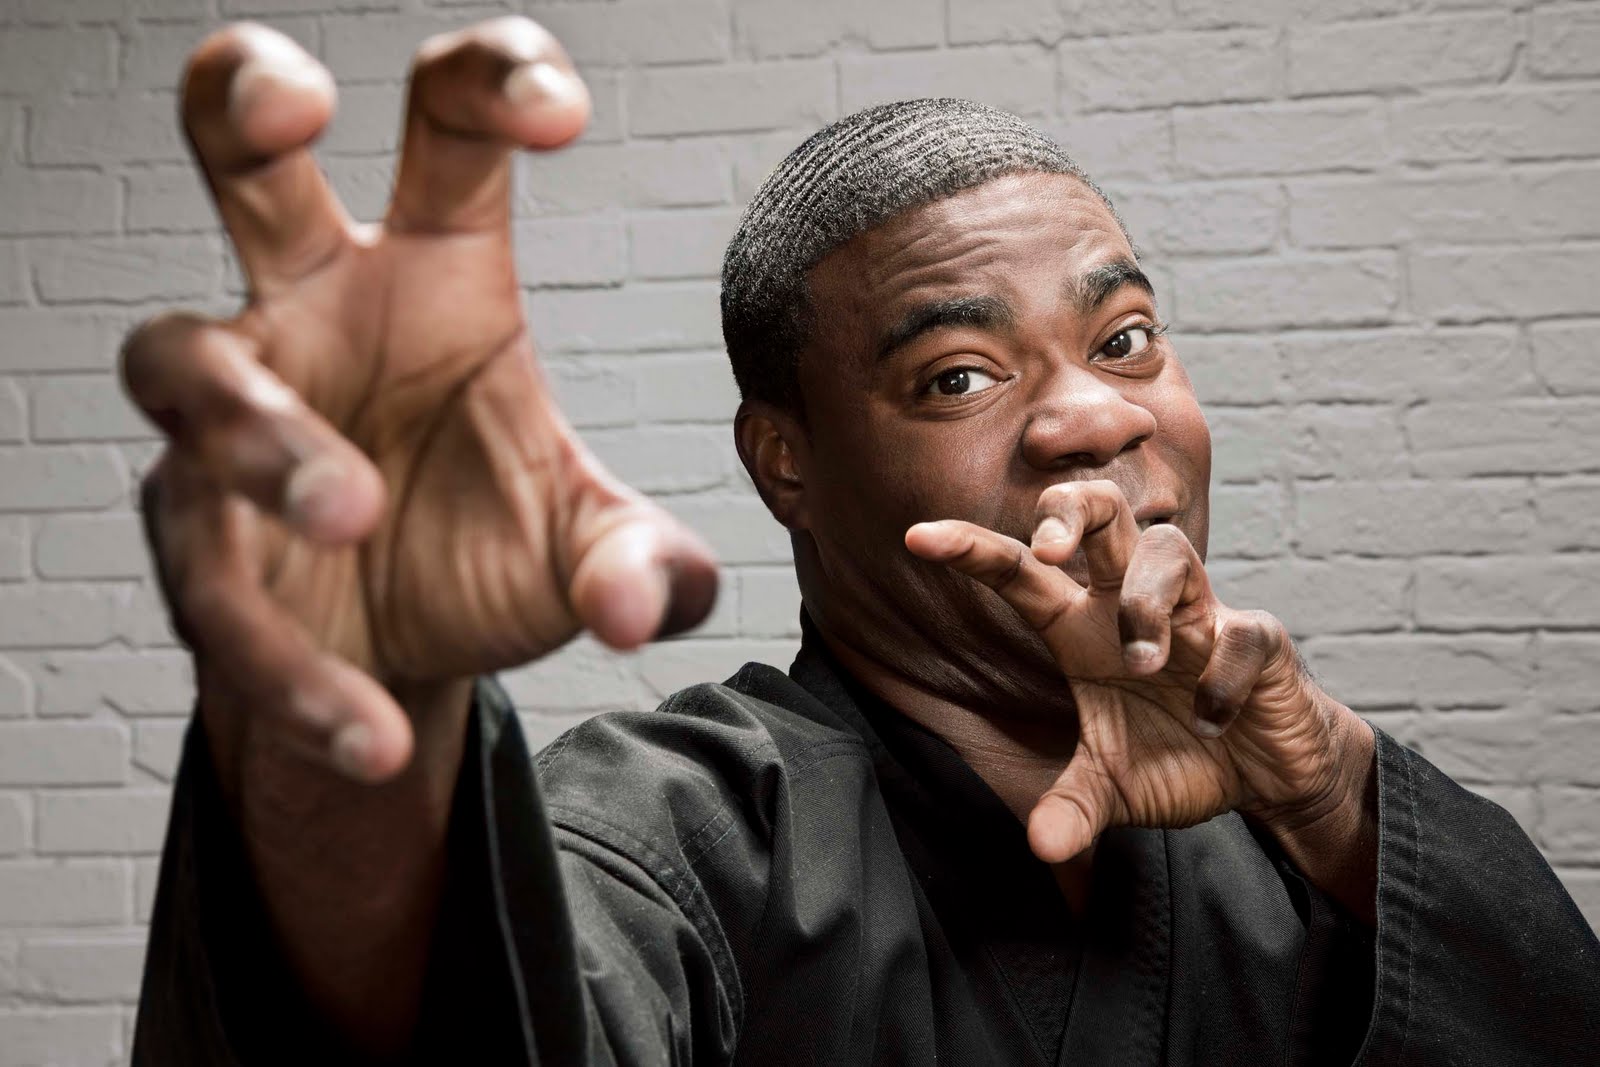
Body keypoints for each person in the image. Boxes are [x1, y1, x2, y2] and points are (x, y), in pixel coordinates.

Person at [127, 16, 1597, 1067]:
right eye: (959, 376)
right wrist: (350, 715)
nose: (1095, 417)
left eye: (1125, 339)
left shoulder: (1310, 837)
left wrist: (1329, 790)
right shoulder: (684, 830)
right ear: (789, 465)